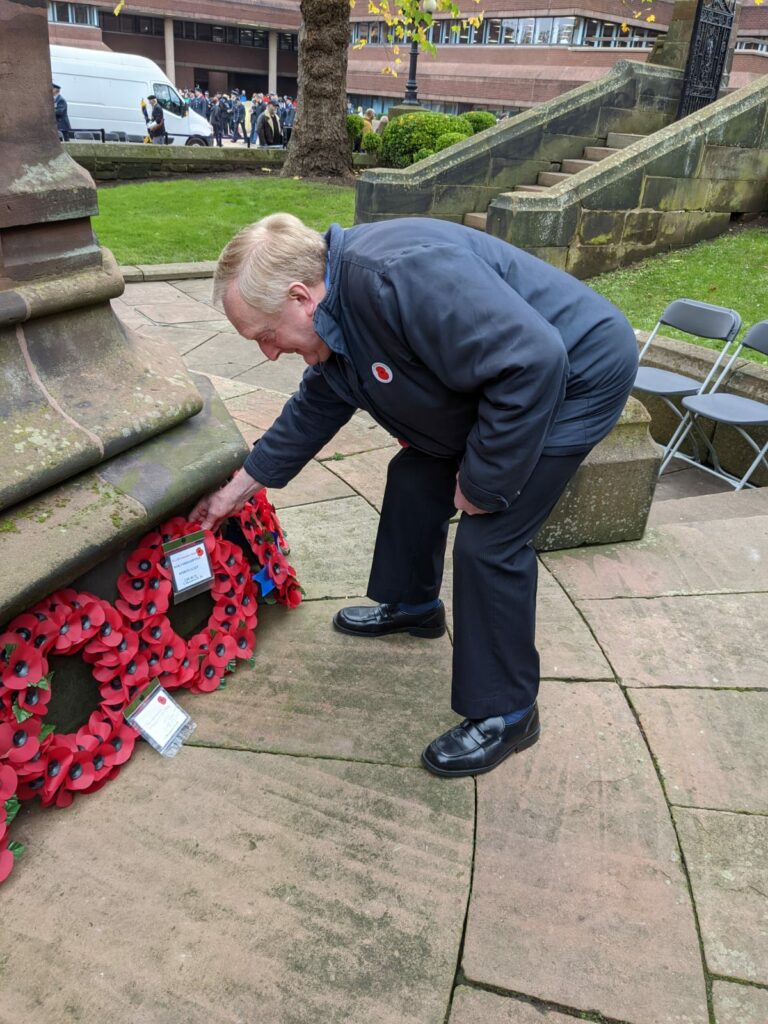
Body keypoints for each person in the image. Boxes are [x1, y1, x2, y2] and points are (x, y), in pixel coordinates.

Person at [190, 214, 639, 778]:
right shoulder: (337, 310)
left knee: (488, 543)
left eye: (265, 334)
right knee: (415, 471)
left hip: (577, 375)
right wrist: (238, 488)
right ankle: (414, 605)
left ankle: (509, 712)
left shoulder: (398, 276)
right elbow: (315, 408)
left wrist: (482, 483)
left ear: (300, 297)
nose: (268, 353)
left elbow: (533, 361)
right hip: (507, 377)